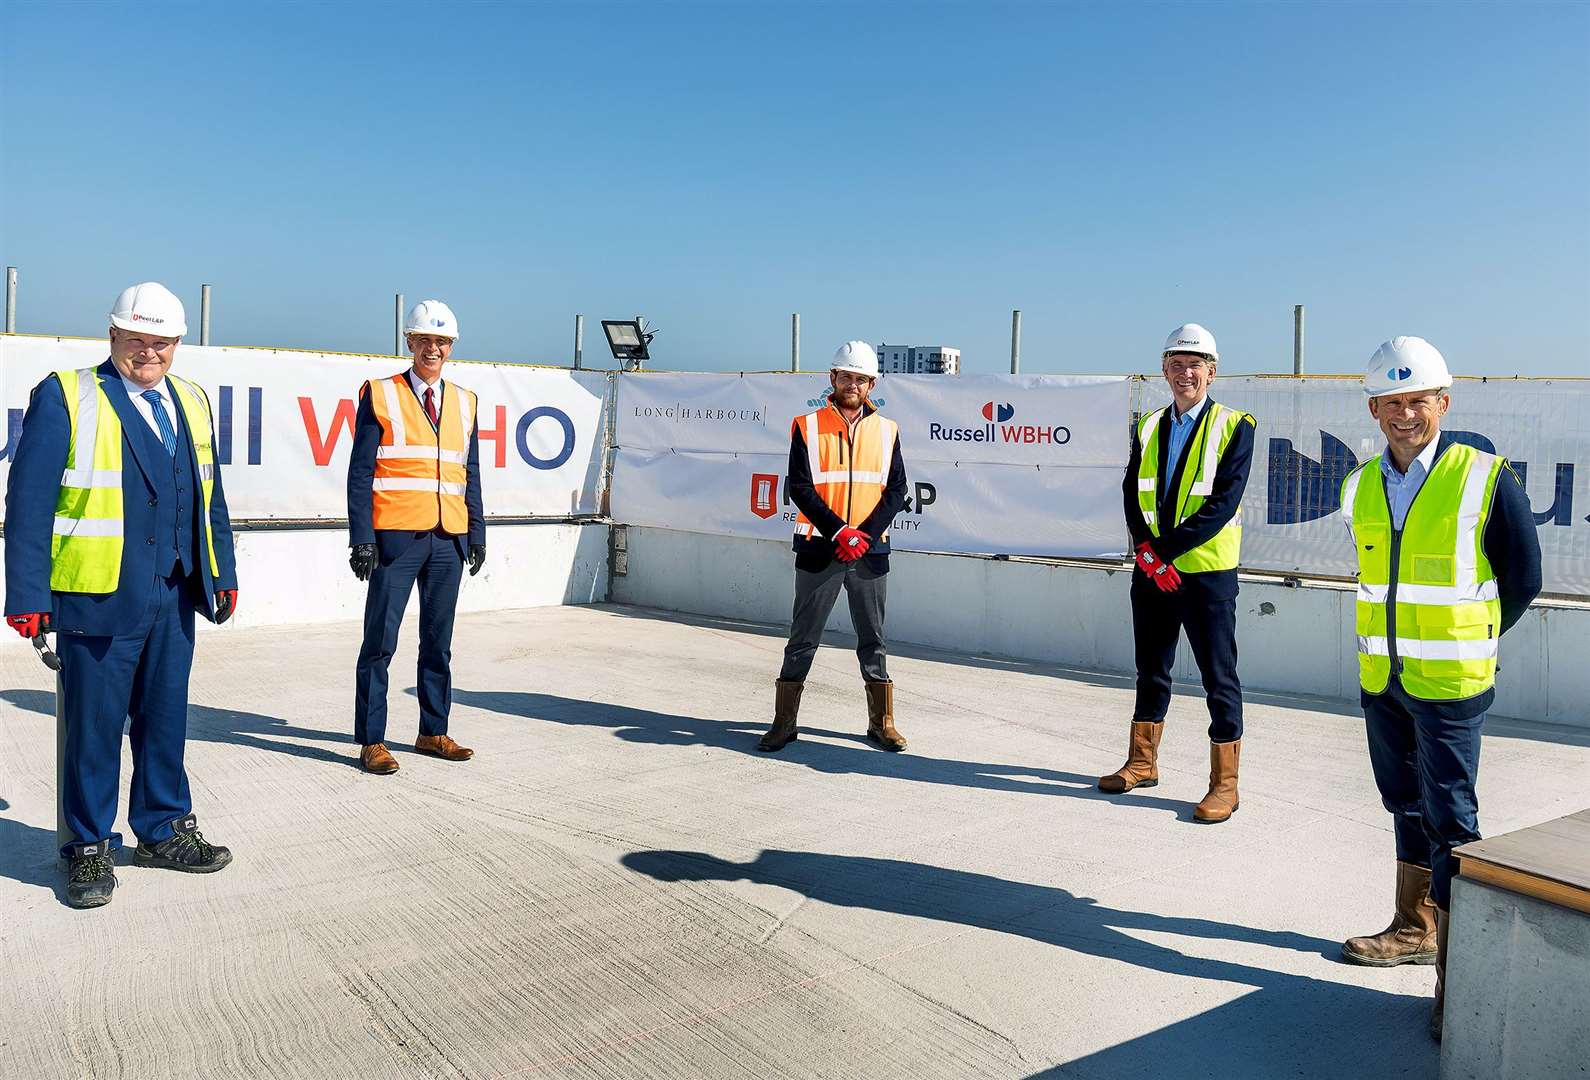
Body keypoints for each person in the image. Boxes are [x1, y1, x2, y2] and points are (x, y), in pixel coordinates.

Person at [3, 282, 239, 909]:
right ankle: (85, 847)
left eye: (162, 341)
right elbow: (27, 503)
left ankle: (164, 829)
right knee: (95, 729)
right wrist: (26, 594)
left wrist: (222, 571)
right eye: (137, 339)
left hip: (176, 591)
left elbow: (208, 494)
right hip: (98, 594)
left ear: (178, 343)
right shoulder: (67, 395)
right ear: (112, 336)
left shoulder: (190, 401)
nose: (149, 352)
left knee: (165, 721)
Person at [1336, 336, 1540, 1040]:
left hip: (1450, 682)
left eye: (1417, 400)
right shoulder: (1359, 484)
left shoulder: (1484, 476)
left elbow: (1522, 578)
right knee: (1405, 805)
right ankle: (1412, 927)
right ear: (1373, 408)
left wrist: (1473, 639)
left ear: (1442, 404)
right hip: (1383, 677)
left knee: (1451, 821)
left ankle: (1459, 982)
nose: (1404, 414)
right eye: (1391, 402)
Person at [1101, 323, 1256, 824]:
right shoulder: (1148, 425)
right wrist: (1147, 554)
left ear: (1212, 372)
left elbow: (1222, 503)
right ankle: (1142, 762)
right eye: (1176, 364)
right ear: (1164, 370)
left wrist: (1161, 552)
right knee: (1151, 667)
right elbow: (1133, 491)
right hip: (1152, 572)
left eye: (1195, 364)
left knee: (1219, 677)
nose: (1185, 372)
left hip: (1206, 574)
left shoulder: (1236, 426)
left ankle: (1224, 786)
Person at [347, 299, 485, 774]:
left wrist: (477, 532)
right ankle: (371, 740)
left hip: (449, 538)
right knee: (380, 641)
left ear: (451, 347)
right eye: (425, 339)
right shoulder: (381, 394)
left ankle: (432, 731)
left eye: (442, 341)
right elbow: (361, 471)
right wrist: (361, 537)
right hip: (396, 539)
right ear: (409, 342)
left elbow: (471, 473)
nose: (433, 348)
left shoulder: (465, 401)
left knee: (438, 641)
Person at [757, 341, 909, 754]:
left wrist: (864, 535)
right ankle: (784, 723)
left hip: (869, 553)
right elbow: (801, 488)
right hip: (819, 549)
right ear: (832, 379)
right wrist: (840, 532)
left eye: (861, 379)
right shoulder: (806, 426)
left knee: (873, 639)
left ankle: (882, 723)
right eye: (846, 377)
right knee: (803, 638)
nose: (853, 385)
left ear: (872, 383)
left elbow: (897, 490)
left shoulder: (888, 430)